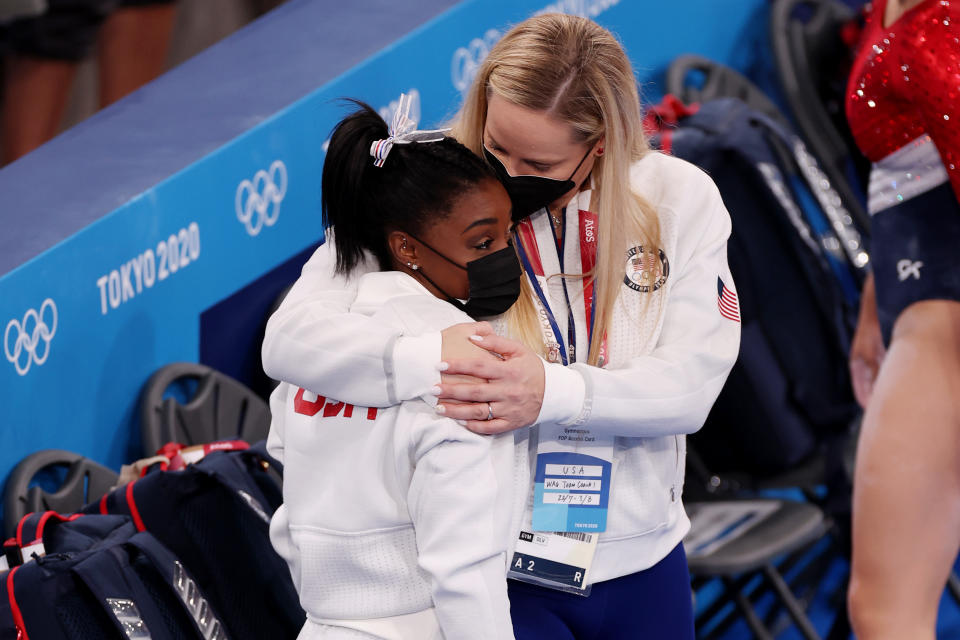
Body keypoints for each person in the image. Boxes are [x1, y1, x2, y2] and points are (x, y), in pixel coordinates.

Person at [264, 14, 740, 639]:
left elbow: (692, 384)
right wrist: (428, 356)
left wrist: (548, 394)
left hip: (643, 560)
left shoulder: (679, 199)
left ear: (600, 146)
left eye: (538, 163)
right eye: (496, 148)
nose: (509, 177)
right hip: (502, 574)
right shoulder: (433, 192)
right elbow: (290, 340)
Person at [267, 98, 518, 640]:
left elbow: (286, 469)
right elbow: (465, 569)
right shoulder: (466, 371)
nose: (504, 255)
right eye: (483, 242)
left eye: (506, 235)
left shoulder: (317, 351)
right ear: (407, 247)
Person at [844, 0, 960, 638]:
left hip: (943, 319)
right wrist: (875, 301)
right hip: (916, 297)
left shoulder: (938, 24)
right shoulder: (893, 9)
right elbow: (902, 174)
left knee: (887, 613)